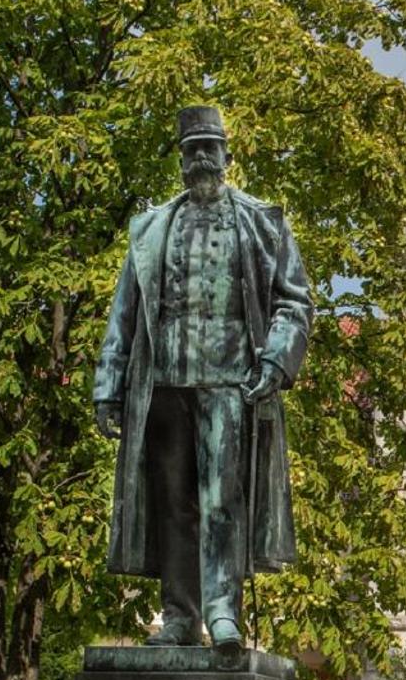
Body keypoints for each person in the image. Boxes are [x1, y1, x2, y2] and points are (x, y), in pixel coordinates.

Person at [93, 105, 312, 651]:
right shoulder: (151, 229)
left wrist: (275, 359)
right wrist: (108, 385)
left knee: (221, 502)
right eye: (191, 150)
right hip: (164, 385)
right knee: (173, 504)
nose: (199, 159)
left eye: (209, 148)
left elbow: (294, 302)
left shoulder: (262, 223)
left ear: (227, 156)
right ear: (181, 159)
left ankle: (222, 615)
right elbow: (124, 311)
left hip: (230, 381)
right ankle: (177, 617)